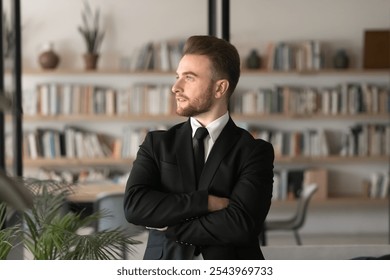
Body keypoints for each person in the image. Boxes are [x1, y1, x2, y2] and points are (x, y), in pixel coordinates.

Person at [123, 35, 274, 260]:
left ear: (220, 88)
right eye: (177, 77)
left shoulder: (254, 151)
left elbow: (240, 224)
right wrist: (206, 202)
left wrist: (170, 227)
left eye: (189, 78)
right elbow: (135, 207)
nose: (175, 87)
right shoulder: (156, 143)